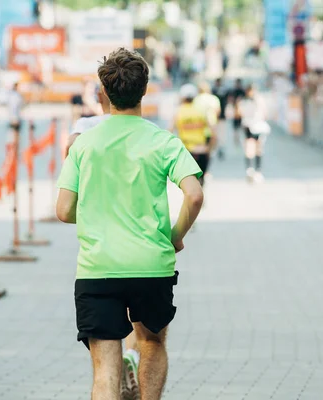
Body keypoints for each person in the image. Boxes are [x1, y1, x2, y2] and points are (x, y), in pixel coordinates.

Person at [56, 48, 204, 400]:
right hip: (151, 265)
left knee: (105, 373)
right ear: (144, 90)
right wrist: (175, 236)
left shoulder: (83, 144)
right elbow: (194, 195)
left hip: (98, 268)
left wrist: (96, 213)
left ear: (103, 94)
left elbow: (63, 210)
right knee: (151, 343)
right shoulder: (162, 141)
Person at [173, 84, 212, 187]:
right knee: (200, 182)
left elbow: (170, 132)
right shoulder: (201, 111)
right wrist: (209, 148)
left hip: (186, 151)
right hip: (202, 150)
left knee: (188, 185)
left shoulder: (179, 111)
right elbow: (212, 132)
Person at [239, 85, 270, 182]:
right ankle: (250, 169)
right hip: (249, 126)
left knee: (258, 148)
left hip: (257, 126)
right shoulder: (244, 101)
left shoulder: (257, 100)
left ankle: (257, 170)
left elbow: (264, 113)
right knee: (250, 148)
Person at [193, 82, 221, 164]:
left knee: (198, 150)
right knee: (209, 150)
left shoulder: (196, 99)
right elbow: (217, 112)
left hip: (198, 128)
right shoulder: (213, 99)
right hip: (211, 127)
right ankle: (206, 169)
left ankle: (199, 168)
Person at [213, 78, 229, 159]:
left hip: (219, 116)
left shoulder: (215, 92)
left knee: (220, 133)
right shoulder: (214, 91)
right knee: (219, 133)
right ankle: (219, 148)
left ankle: (220, 148)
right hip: (217, 117)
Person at [229, 78, 246, 147]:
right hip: (235, 111)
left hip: (241, 111)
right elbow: (231, 100)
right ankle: (237, 139)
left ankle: (241, 140)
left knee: (241, 126)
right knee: (236, 127)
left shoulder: (242, 91)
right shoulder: (234, 90)